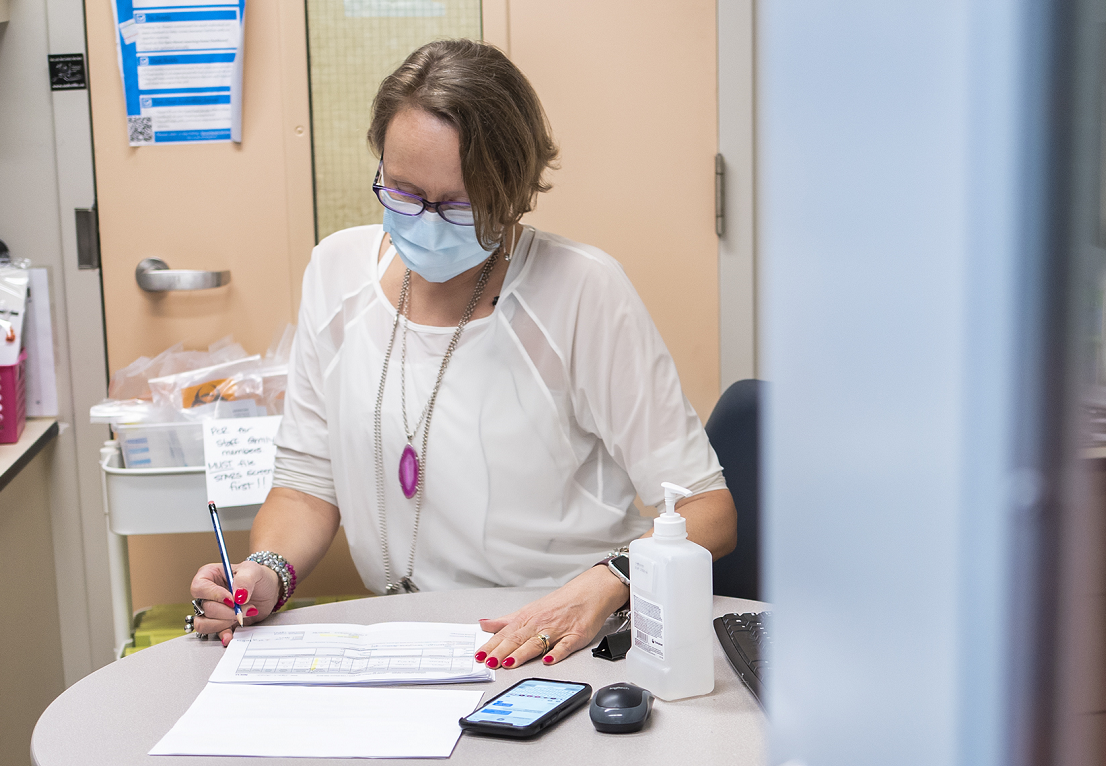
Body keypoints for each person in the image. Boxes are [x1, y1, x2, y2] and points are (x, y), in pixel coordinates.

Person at [190, 39, 736, 669]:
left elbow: (708, 512)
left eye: (457, 203)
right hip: (406, 646)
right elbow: (307, 488)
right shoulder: (335, 273)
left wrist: (609, 580)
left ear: (514, 192)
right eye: (401, 191)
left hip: (563, 642)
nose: (424, 220)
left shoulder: (582, 289)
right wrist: (266, 573)